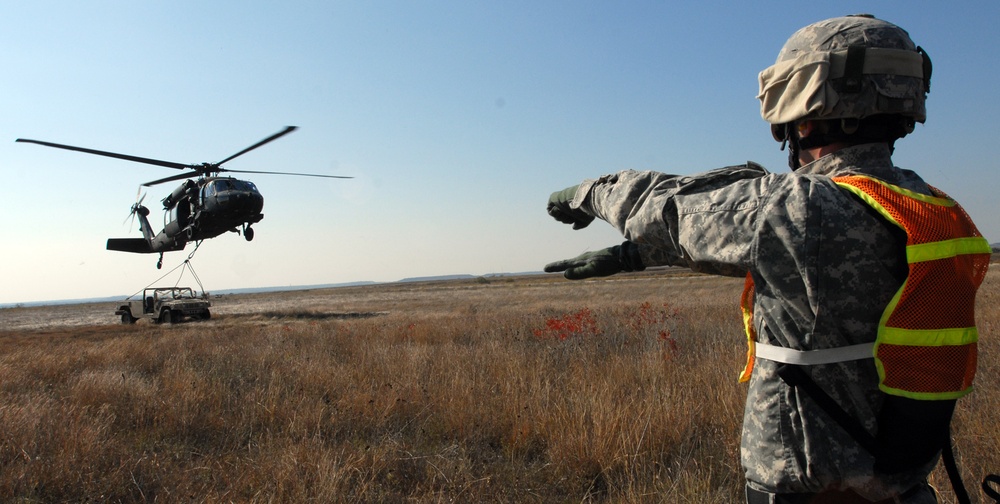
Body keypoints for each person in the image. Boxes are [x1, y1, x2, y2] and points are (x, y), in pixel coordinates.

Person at [544, 14, 991, 504]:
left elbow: (670, 210)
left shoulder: (803, 208)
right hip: (899, 481)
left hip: (814, 484)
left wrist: (589, 192)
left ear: (806, 105)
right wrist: (634, 256)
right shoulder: (929, 205)